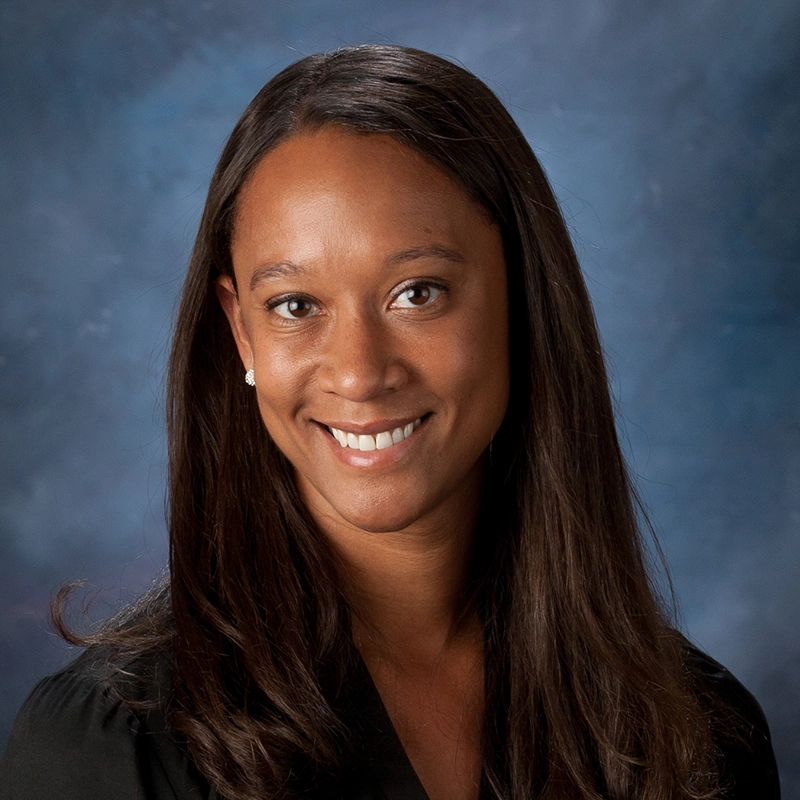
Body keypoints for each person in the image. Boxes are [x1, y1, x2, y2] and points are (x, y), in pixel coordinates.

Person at [0, 44, 780, 800]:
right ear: (242, 332)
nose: (360, 373)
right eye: (295, 306)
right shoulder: (110, 745)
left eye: (418, 293)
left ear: (522, 299)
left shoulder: (702, 734)